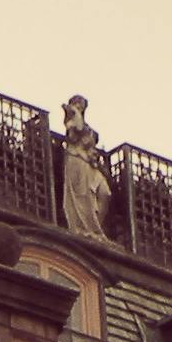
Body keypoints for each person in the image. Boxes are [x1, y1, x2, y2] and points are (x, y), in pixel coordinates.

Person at [59, 95, 112, 240]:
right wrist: (73, 112)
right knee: (82, 195)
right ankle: (83, 228)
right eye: (78, 104)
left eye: (82, 105)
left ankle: (95, 228)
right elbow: (77, 130)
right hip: (77, 160)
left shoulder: (82, 123)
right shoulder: (71, 121)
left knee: (105, 193)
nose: (80, 107)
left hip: (90, 164)